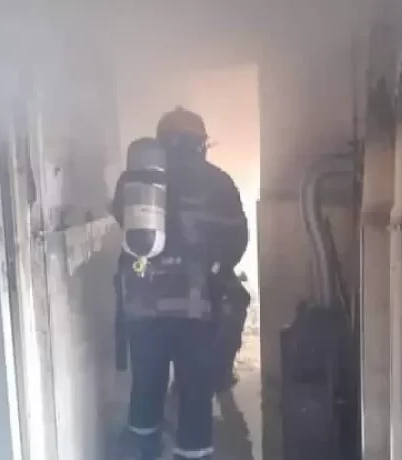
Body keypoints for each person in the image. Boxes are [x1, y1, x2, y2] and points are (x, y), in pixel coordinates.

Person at [112, 108, 248, 460]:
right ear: (200, 143)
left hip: (142, 304)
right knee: (194, 392)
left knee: (146, 385)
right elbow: (238, 239)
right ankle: (192, 453)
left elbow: (121, 221)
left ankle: (142, 449)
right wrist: (213, 266)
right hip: (196, 308)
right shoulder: (218, 181)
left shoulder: (135, 178)